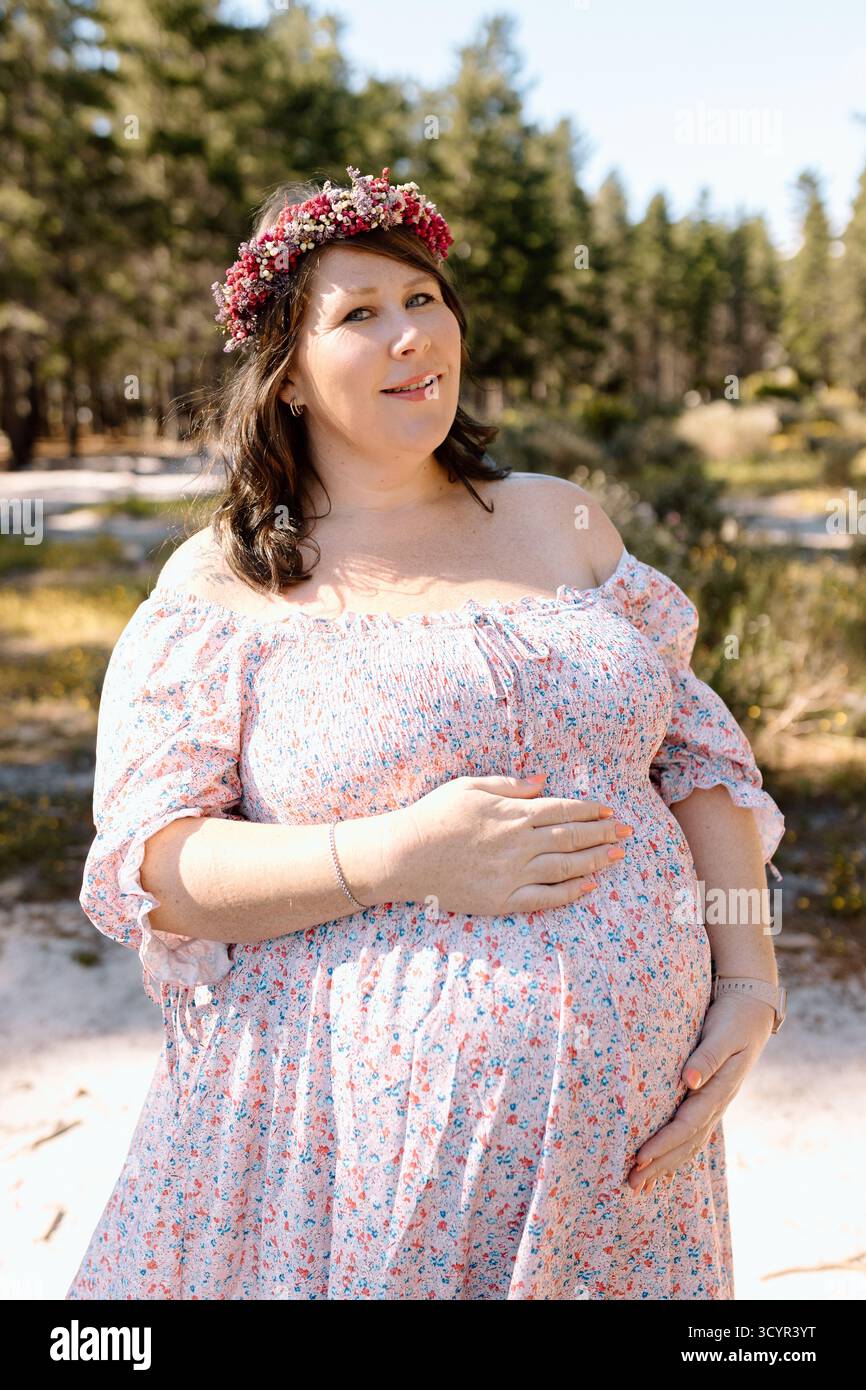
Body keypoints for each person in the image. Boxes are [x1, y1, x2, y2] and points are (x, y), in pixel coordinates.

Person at [66, 166, 785, 1301]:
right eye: (357, 314)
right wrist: (397, 857)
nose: (410, 334)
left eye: (423, 299)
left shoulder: (561, 516)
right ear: (287, 376)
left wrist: (747, 971)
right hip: (352, 1151)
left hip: (629, 1162)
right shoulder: (227, 583)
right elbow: (156, 864)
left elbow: (695, 753)